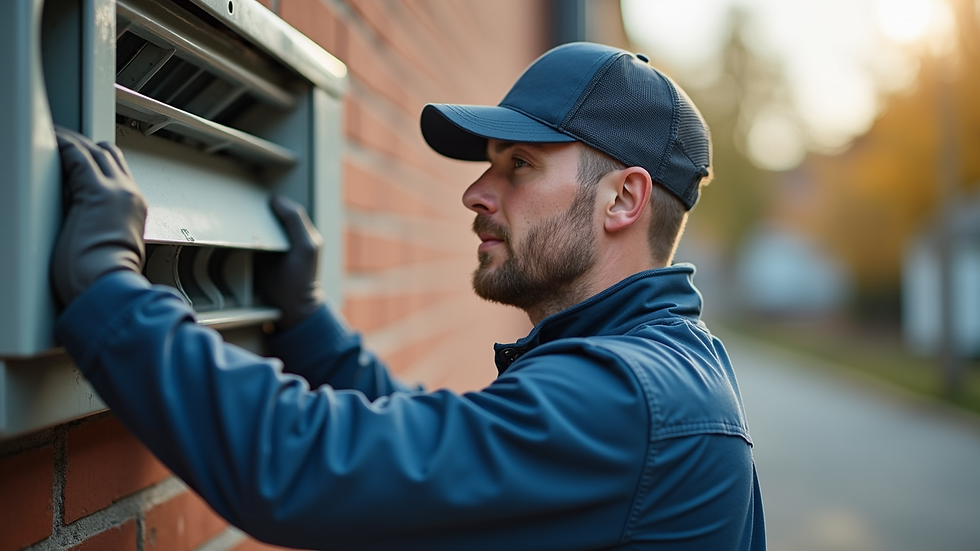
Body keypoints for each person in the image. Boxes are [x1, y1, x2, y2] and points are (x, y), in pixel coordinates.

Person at [52, 42, 764, 550]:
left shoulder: (624, 402)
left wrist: (110, 291)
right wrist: (305, 327)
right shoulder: (661, 368)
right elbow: (437, 454)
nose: (475, 194)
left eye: (520, 165)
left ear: (623, 200)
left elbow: (309, 470)